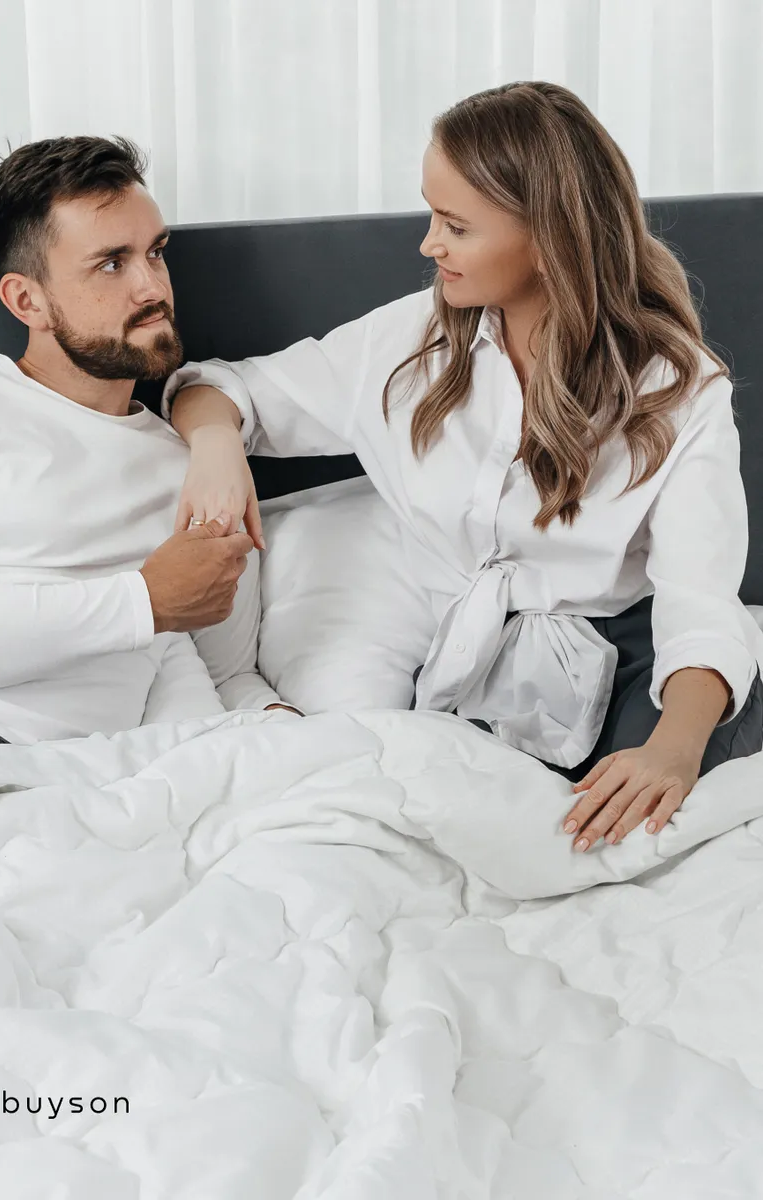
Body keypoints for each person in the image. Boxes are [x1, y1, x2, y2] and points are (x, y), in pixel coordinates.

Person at [164, 81, 763, 852]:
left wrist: (673, 750)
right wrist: (218, 448)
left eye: (455, 226)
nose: (428, 245)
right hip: (478, 666)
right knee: (468, 840)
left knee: (639, 836)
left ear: (547, 239)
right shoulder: (410, 345)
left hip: (637, 661)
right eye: (432, 215)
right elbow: (223, 390)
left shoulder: (677, 388)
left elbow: (699, 602)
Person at [0, 135, 296, 747]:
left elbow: (227, 677)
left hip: (76, 774)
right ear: (27, 300)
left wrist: (284, 723)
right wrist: (145, 601)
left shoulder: (195, 469)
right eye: (112, 263)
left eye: (156, 253)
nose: (152, 288)